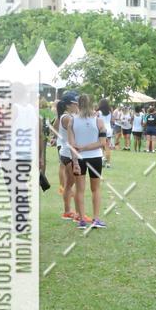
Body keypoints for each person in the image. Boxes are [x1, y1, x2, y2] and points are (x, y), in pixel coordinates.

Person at [67, 95, 107, 229]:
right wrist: (84, 148)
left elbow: (71, 144)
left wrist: (75, 161)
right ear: (92, 104)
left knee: (80, 190)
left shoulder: (72, 121)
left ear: (78, 104)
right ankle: (95, 219)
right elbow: (102, 143)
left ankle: (82, 220)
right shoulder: (99, 121)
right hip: (95, 158)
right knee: (95, 189)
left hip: (78, 159)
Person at [58, 92, 83, 222]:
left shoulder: (67, 116)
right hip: (69, 153)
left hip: (66, 152)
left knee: (69, 184)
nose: (77, 105)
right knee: (78, 185)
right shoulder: (67, 118)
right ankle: (78, 214)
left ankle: (67, 211)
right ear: (68, 105)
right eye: (75, 103)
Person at [97, 99, 113, 168]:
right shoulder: (110, 112)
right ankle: (108, 163)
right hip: (109, 129)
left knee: (101, 146)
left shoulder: (99, 112)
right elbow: (112, 120)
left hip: (102, 129)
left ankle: (102, 161)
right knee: (107, 147)